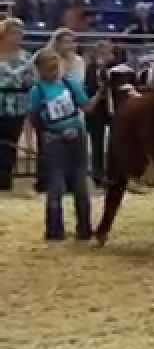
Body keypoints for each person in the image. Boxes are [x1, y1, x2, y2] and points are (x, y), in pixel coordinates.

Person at [29, 48, 105, 241]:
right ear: (40, 70)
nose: (53, 72)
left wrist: (100, 93)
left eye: (55, 68)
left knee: (81, 185)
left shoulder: (70, 84)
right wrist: (49, 133)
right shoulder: (37, 91)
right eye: (49, 69)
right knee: (56, 186)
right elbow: (35, 118)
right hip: (54, 141)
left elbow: (86, 107)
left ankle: (84, 229)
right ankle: (54, 231)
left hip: (77, 138)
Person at [0, 19, 33, 192]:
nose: (18, 36)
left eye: (20, 33)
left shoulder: (26, 57)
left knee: (11, 144)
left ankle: (5, 181)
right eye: (13, 32)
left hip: (17, 107)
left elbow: (29, 81)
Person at [83, 40, 121, 186]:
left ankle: (113, 173)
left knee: (114, 142)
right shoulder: (91, 69)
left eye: (108, 52)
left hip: (113, 108)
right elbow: (90, 87)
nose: (106, 55)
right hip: (96, 109)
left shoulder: (117, 68)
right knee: (97, 142)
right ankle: (97, 175)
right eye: (102, 52)